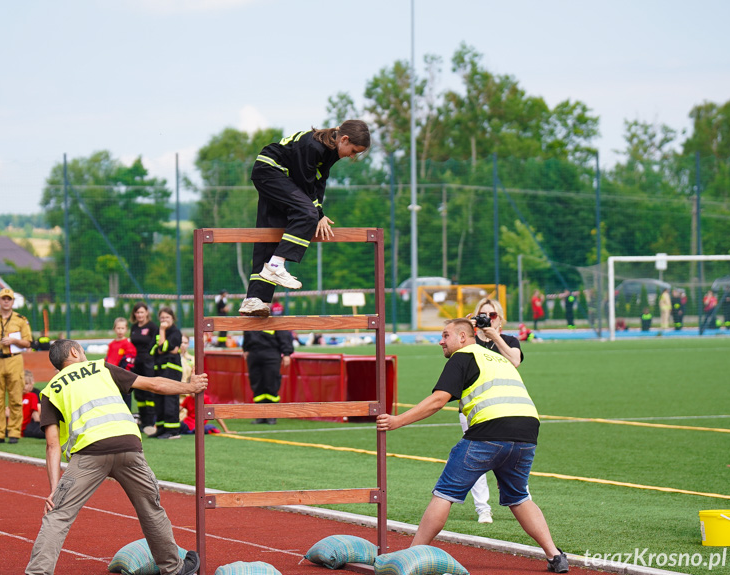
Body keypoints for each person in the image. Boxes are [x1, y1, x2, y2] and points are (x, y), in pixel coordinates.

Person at [375, 319, 568, 573]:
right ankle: (555, 555)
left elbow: (438, 400)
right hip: (527, 433)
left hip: (490, 432)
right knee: (519, 497)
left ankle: (412, 555)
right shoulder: (497, 358)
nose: (441, 341)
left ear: (463, 337)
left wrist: (398, 420)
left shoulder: (463, 356)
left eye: (445, 335)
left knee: (444, 493)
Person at [23, 339, 206, 575]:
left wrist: (54, 489)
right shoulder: (101, 368)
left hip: (89, 452)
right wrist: (191, 387)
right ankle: (173, 569)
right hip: (128, 446)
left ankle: (37, 572)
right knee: (151, 510)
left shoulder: (51, 389)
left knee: (58, 515)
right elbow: (153, 385)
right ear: (74, 351)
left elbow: (52, 444)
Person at [238, 120, 371, 317]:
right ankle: (275, 265)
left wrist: (321, 213)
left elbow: (319, 181)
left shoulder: (330, 151)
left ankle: (254, 300)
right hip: (270, 171)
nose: (352, 156)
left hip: (282, 178)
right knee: (307, 214)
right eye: (353, 150)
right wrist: (317, 214)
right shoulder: (314, 145)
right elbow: (305, 182)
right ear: (344, 139)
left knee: (271, 237)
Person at [463, 298, 524, 524]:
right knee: (476, 460)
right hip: (475, 410)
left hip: (506, 409)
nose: (487, 318)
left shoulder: (508, 340)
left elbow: (515, 361)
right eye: (483, 314)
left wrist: (494, 336)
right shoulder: (469, 342)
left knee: (511, 457)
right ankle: (483, 508)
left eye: (493, 315)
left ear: (500, 320)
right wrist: (468, 328)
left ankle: (520, 501)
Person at [0, 288, 33, 445]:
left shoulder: (21, 320)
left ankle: (14, 432)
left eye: (9, 299)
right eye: (4, 298)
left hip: (14, 360)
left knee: (16, 398)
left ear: (13, 301)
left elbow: (28, 342)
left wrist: (14, 341)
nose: (6, 301)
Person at [243, 329, 294, 425]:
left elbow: (284, 336)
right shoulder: (251, 322)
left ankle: (271, 415)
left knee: (271, 383)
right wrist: (245, 349)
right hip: (254, 354)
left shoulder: (273, 321)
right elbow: (247, 336)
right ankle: (260, 416)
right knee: (256, 384)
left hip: (271, 354)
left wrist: (287, 354)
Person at [147, 307, 183, 439]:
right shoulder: (157, 331)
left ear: (172, 318)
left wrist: (162, 334)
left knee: (170, 400)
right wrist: (162, 348)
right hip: (159, 370)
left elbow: (162, 347)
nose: (164, 320)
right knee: (159, 399)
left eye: (167, 317)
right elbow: (152, 350)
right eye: (162, 318)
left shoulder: (175, 332)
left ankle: (172, 430)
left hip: (172, 370)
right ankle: (161, 429)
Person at [129, 302, 159, 430]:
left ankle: (150, 421)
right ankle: (142, 420)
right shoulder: (134, 327)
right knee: (139, 393)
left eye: (142, 312)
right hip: (136, 363)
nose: (140, 314)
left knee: (149, 392)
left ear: (147, 312)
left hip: (148, 362)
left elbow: (156, 344)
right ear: (134, 314)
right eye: (137, 312)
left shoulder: (152, 327)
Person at [106, 317, 137, 410]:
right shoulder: (112, 344)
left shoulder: (128, 345)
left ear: (126, 329)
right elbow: (108, 359)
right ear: (114, 329)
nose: (120, 330)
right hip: (112, 377)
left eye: (122, 328)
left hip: (123, 378)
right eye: (118, 328)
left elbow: (129, 362)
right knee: (114, 402)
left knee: (125, 403)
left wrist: (120, 373)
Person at [20, 370, 44, 439]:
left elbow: (37, 412)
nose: (24, 386)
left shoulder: (35, 394)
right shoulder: (17, 394)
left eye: (26, 384)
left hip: (32, 422)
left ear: (32, 382)